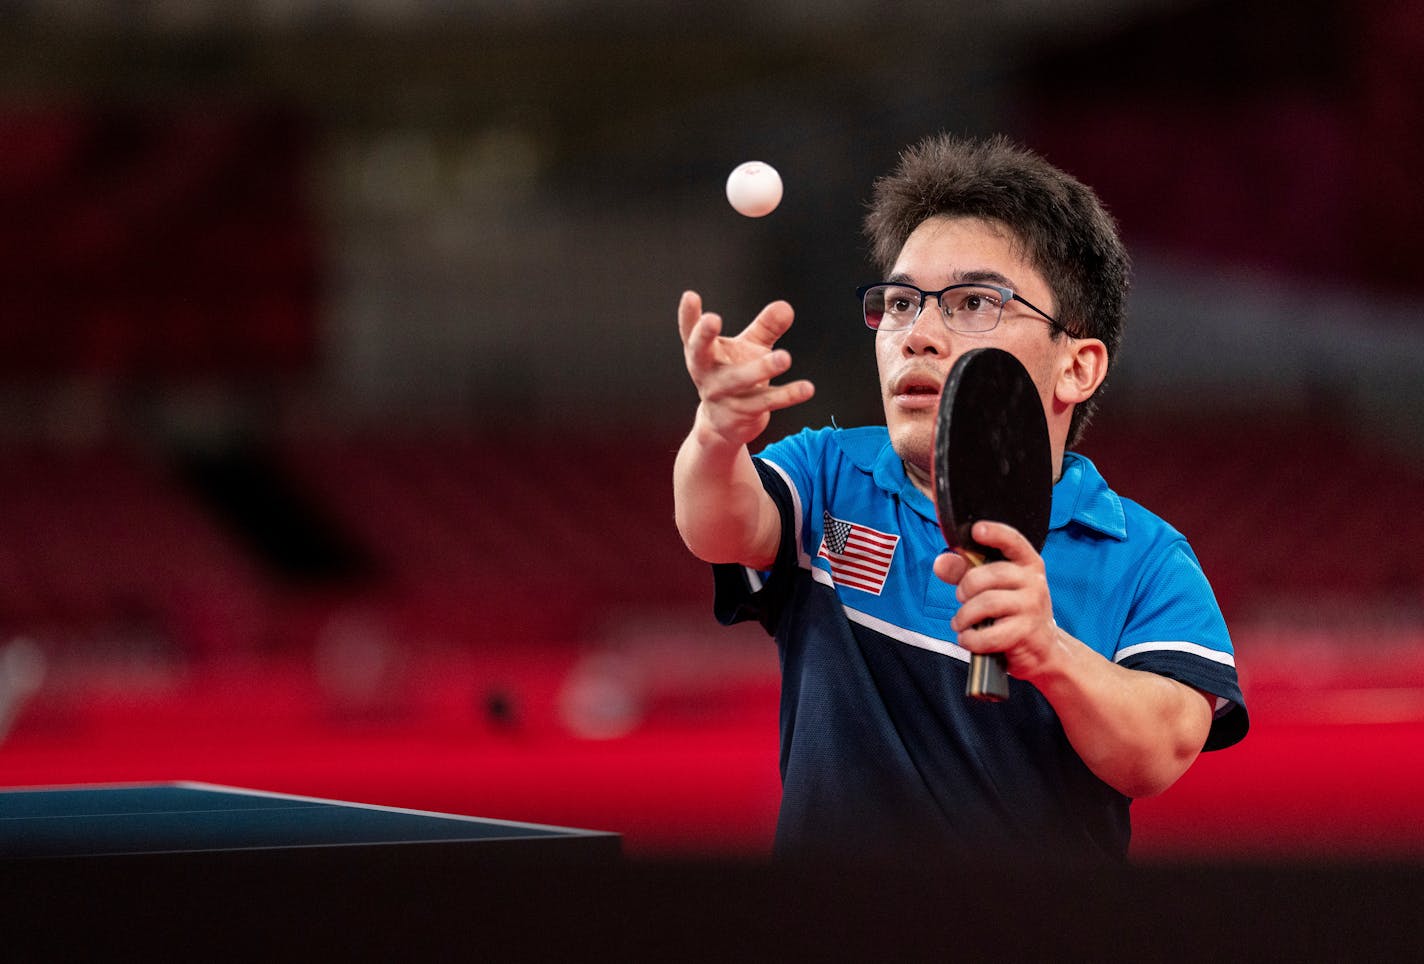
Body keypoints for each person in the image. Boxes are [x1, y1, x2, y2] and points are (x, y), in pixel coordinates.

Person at [673, 132, 1248, 862]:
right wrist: (717, 436)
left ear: (1077, 365)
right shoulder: (826, 476)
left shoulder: (1145, 558)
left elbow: (1160, 751)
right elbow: (717, 527)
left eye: (974, 301)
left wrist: (1050, 653)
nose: (919, 334)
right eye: (902, 302)